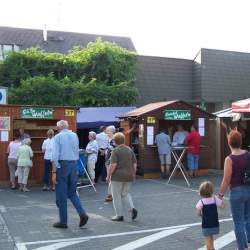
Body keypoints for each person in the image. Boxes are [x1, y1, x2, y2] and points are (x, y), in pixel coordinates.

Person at [51, 120, 88, 229]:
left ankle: (63, 221)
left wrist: (53, 172)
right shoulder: (74, 135)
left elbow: (54, 156)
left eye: (57, 127)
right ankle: (82, 213)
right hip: (73, 164)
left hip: (62, 165)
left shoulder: (57, 137)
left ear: (59, 127)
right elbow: (76, 151)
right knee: (72, 192)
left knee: (61, 195)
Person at [219, 130, 250, 250]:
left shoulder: (229, 159)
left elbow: (226, 180)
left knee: (238, 222)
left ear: (229, 143)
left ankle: (242, 247)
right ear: (241, 141)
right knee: (248, 218)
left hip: (236, 192)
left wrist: (220, 195)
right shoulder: (248, 155)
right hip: (248, 189)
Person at [107, 132, 138, 222]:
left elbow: (113, 165)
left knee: (116, 196)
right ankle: (132, 208)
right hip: (129, 175)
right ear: (124, 140)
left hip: (117, 176)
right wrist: (133, 174)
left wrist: (108, 176)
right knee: (125, 193)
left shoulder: (115, 151)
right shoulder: (129, 150)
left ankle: (119, 215)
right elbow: (134, 164)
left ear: (115, 141)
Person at [196, 181, 224, 250]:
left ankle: (210, 248)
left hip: (206, 224)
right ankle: (212, 247)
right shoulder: (214, 199)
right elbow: (222, 206)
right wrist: (221, 199)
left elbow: (198, 213)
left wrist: (201, 215)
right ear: (211, 191)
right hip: (214, 223)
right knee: (211, 237)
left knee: (207, 239)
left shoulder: (201, 202)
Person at [105, 125, 116, 202]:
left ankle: (111, 195)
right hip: (108, 161)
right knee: (110, 178)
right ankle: (111, 194)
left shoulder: (113, 140)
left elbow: (114, 152)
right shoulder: (110, 139)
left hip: (110, 161)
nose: (106, 132)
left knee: (110, 177)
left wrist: (109, 160)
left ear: (112, 131)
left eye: (108, 131)